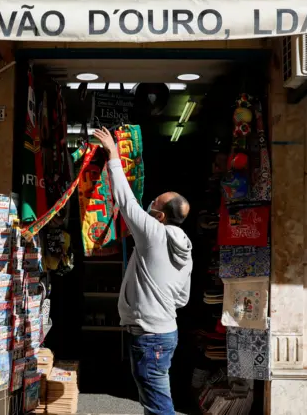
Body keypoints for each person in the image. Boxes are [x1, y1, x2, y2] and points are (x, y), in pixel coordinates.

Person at [94, 127, 193, 415]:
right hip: (166, 332)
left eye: (154, 204)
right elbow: (182, 298)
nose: (149, 204)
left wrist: (113, 154)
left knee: (159, 406)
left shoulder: (154, 233)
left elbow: (125, 201)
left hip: (150, 337)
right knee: (157, 398)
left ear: (160, 215)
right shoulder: (185, 249)